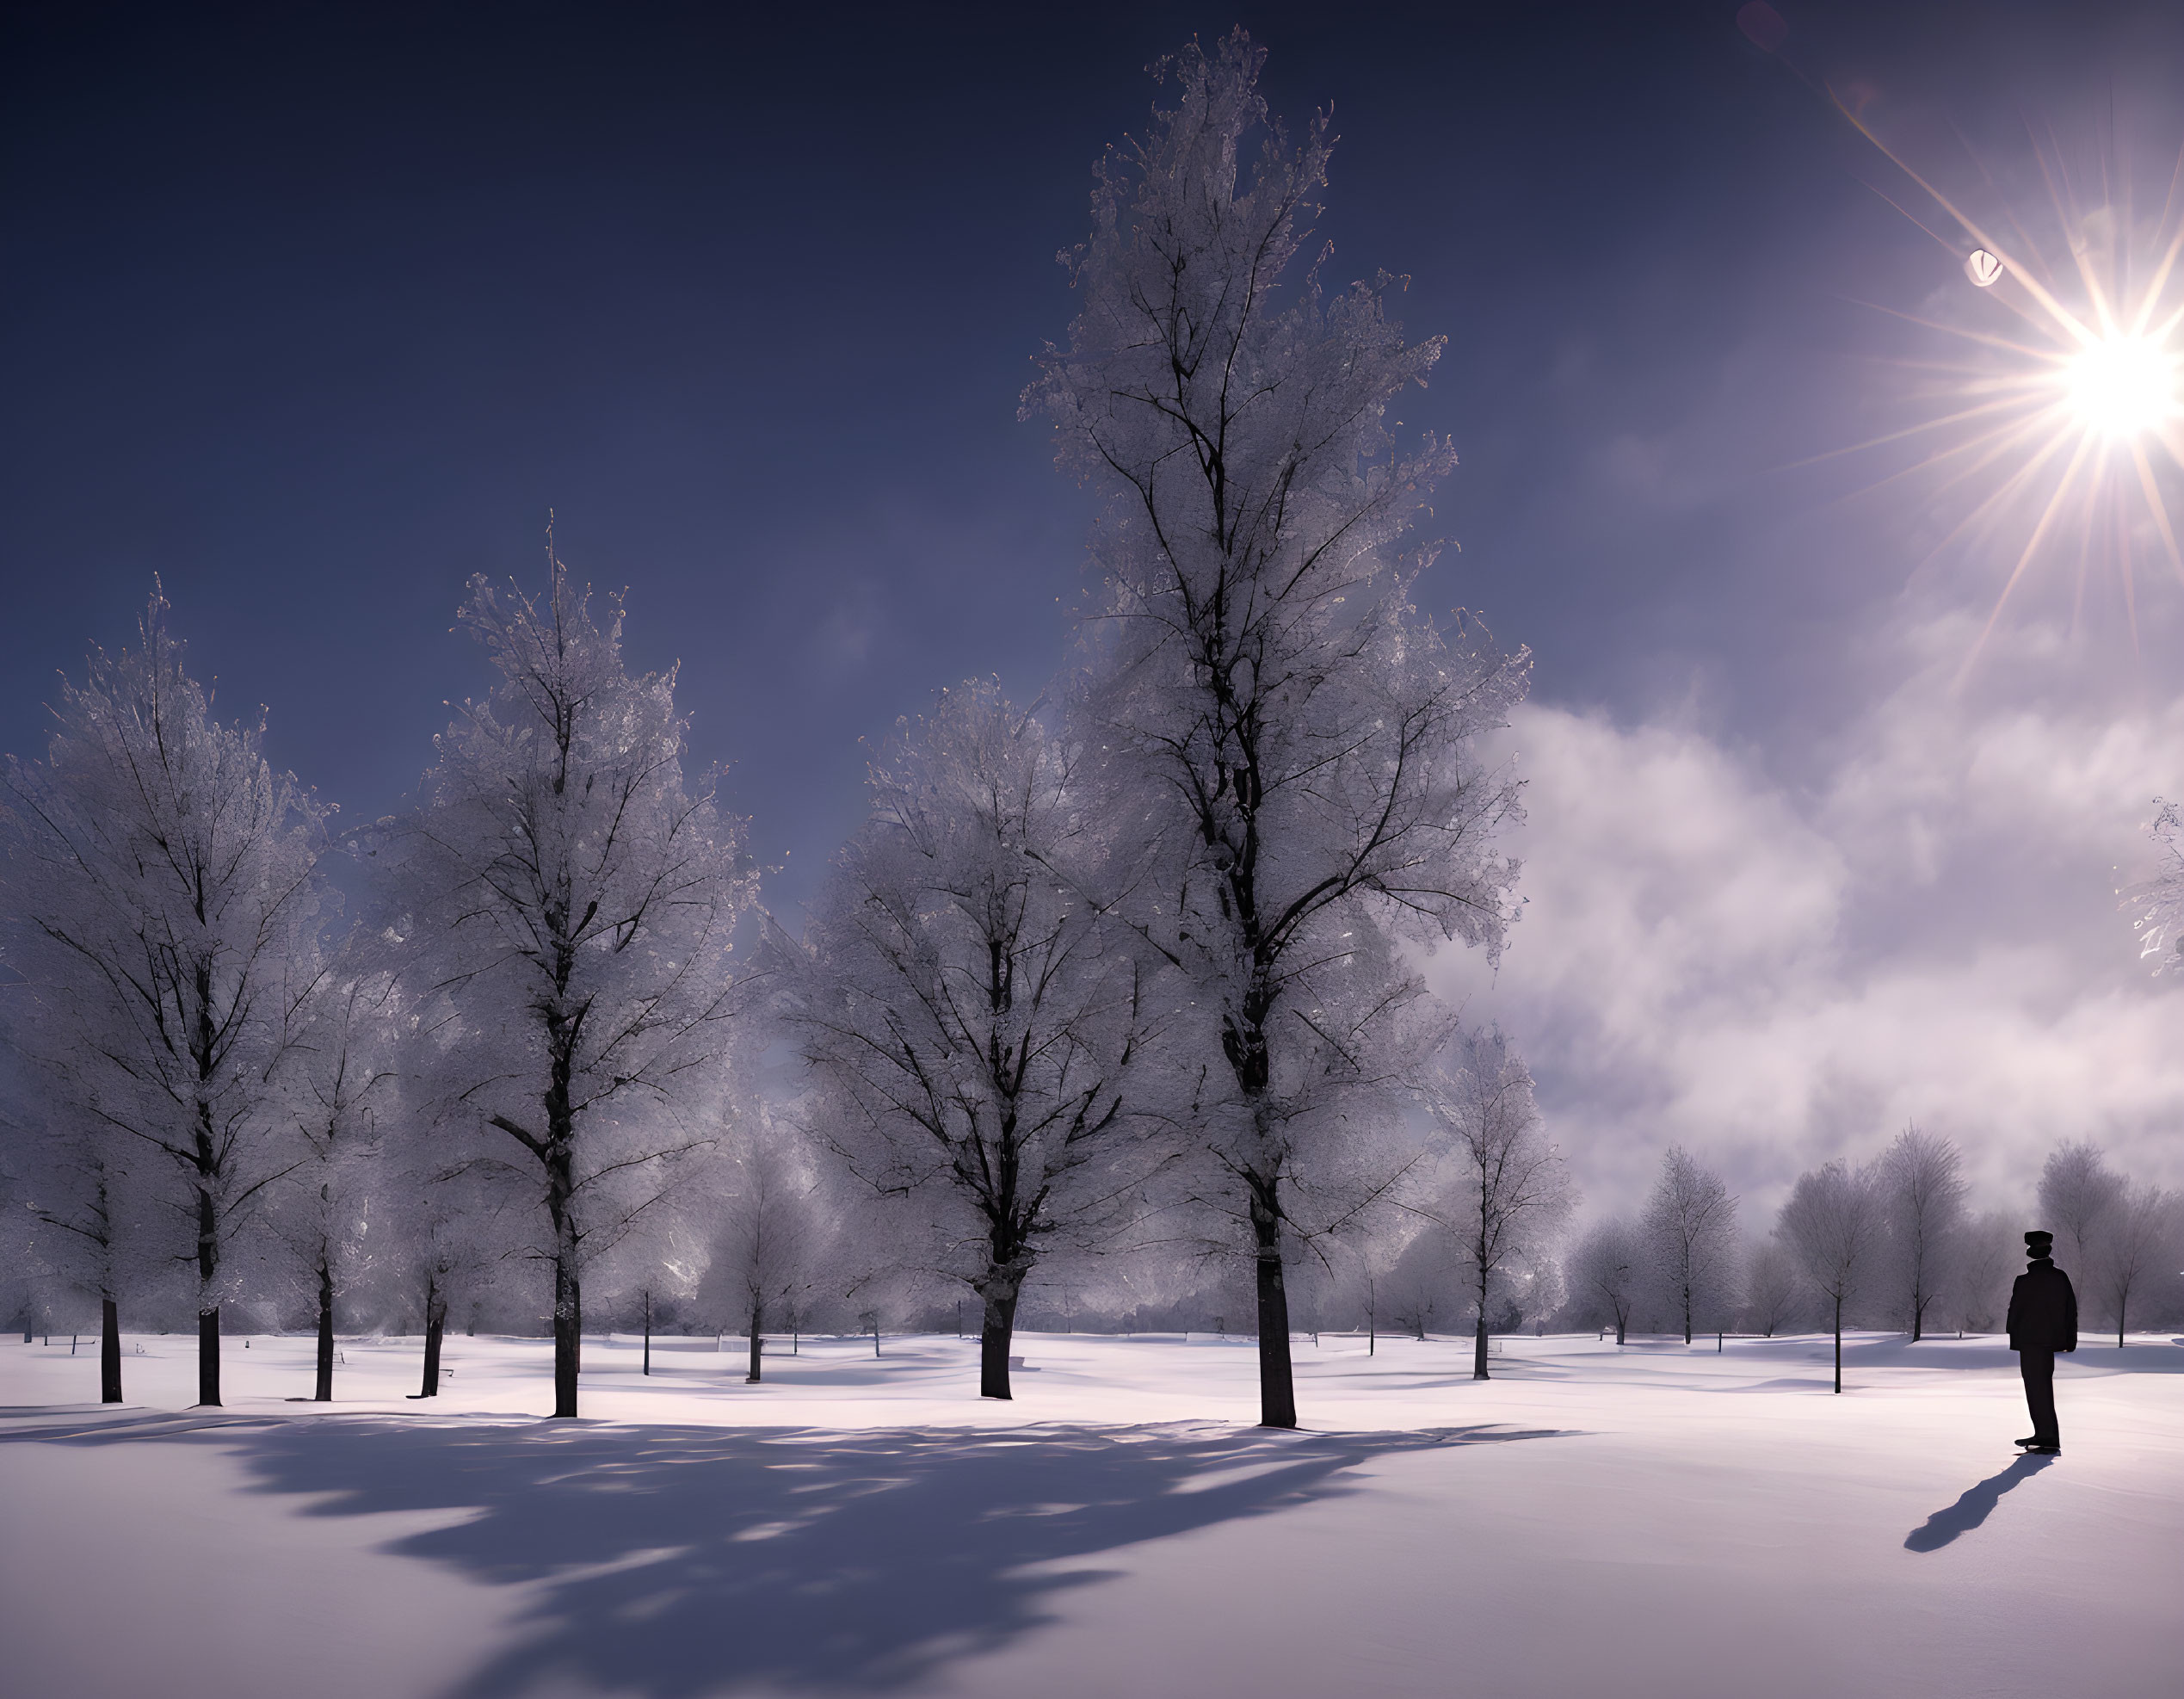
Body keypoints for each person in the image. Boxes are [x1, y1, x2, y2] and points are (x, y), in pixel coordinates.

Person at [2006, 1229, 2076, 1455]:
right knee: (2043, 1387)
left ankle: (2046, 1435)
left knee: (2035, 1389)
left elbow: (2014, 1313)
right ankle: (2046, 1434)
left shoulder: (2023, 1282)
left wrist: (2013, 1335)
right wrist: (2069, 1341)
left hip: (2029, 1342)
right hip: (2049, 1342)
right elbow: (2070, 1311)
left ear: (2030, 1253)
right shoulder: (2060, 1278)